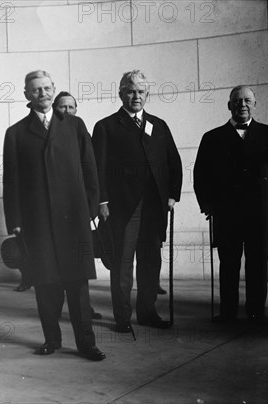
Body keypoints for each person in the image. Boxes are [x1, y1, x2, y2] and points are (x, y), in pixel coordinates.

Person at [3, 70, 105, 361]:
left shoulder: (74, 125)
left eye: (47, 88)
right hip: (37, 223)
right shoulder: (16, 133)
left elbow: (90, 168)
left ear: (54, 90)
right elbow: (11, 182)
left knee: (78, 286)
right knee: (45, 283)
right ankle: (52, 340)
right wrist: (16, 222)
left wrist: (89, 206)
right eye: (36, 90)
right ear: (27, 95)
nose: (43, 94)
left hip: (73, 220)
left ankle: (87, 344)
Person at [91, 70, 182, 334]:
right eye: (130, 91)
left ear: (147, 95)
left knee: (151, 259)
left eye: (141, 92)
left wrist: (173, 194)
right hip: (122, 208)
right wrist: (102, 201)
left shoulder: (159, 125)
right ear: (121, 94)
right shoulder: (106, 126)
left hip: (155, 208)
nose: (136, 96)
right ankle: (122, 317)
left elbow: (173, 162)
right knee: (122, 262)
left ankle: (147, 312)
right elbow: (99, 168)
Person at [193, 85, 268, 324]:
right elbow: (201, 175)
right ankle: (228, 312)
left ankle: (256, 313)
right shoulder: (212, 138)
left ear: (254, 104)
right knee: (229, 263)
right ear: (229, 105)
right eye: (237, 101)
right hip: (226, 214)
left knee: (257, 265)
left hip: (259, 214)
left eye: (247, 101)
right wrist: (207, 204)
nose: (242, 105)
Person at [52, 91, 103, 321]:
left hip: (77, 211)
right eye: (62, 107)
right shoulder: (48, 132)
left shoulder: (80, 128)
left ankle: (84, 309)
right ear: (54, 108)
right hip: (54, 214)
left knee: (80, 265)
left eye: (71, 107)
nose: (67, 111)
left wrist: (91, 207)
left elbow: (90, 168)